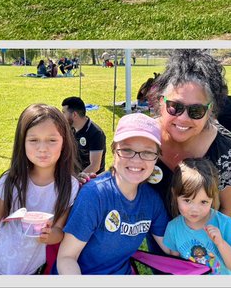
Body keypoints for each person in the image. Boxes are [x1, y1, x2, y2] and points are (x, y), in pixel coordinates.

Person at [146, 50, 231, 218]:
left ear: (210, 110)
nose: (183, 118)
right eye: (175, 106)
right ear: (161, 102)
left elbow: (225, 212)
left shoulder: (226, 151)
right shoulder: (142, 135)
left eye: (196, 110)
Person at [56, 113, 170, 275]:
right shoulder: (95, 195)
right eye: (127, 150)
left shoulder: (152, 200)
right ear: (113, 151)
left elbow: (171, 248)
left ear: (156, 157)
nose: (136, 160)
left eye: (147, 152)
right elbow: (67, 257)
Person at [0, 104, 79, 275]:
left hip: (29, 268)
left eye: (52, 140)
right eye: (33, 140)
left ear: (64, 142)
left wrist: (49, 235)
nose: (42, 148)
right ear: (22, 142)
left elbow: (59, 231)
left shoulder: (69, 185)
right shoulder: (12, 180)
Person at [162, 158, 231, 275]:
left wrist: (221, 243)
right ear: (175, 194)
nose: (195, 209)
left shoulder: (224, 224)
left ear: (212, 198)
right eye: (187, 200)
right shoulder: (173, 228)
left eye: (203, 202)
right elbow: (177, 265)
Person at [61, 96, 106, 180]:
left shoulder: (96, 133)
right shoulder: (70, 128)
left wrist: (77, 180)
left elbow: (95, 165)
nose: (62, 116)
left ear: (74, 114)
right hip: (74, 176)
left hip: (91, 180)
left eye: (64, 112)